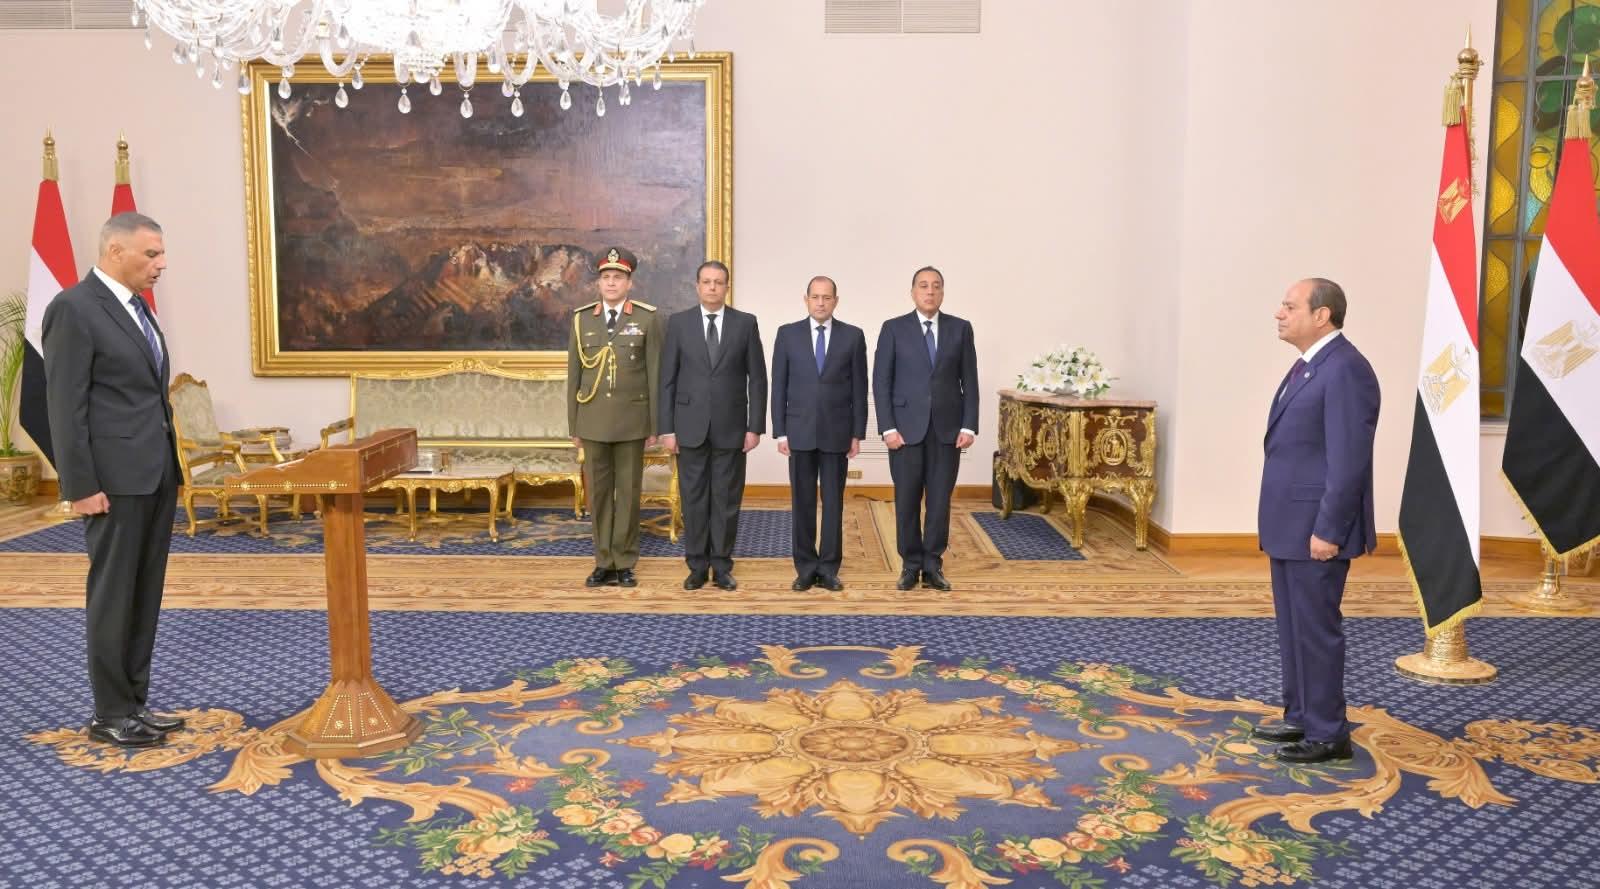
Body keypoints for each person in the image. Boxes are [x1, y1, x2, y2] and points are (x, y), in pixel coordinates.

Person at [42, 212, 185, 748]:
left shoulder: (138, 308)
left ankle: (135, 704)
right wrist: (79, 486)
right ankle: (110, 712)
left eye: (161, 253)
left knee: (144, 594)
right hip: (113, 481)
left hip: (154, 474)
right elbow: (65, 406)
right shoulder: (74, 308)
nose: (161, 264)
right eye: (151, 254)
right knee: (113, 595)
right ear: (115, 251)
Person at [1254, 277, 1380, 764]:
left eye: (1290, 306)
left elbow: (1348, 461)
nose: (1279, 313)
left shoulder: (1345, 369)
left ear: (1321, 315)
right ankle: (1302, 716)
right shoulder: (1310, 365)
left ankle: (1328, 732)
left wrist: (1329, 529)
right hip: (1290, 524)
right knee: (1294, 627)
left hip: (1316, 528)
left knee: (1316, 629)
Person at [659, 260, 767, 591]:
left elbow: (757, 379)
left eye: (718, 282)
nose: (712, 287)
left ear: (727, 287)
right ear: (697, 286)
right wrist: (666, 428)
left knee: (725, 500)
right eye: (706, 281)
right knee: (693, 500)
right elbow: (667, 379)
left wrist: (755, 427)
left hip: (731, 428)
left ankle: (721, 565)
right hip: (688, 427)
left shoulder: (745, 323)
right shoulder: (678, 323)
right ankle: (696, 565)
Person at [873, 266, 978, 592]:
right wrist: (887, 427)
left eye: (935, 286)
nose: (929, 291)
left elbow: (970, 381)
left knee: (939, 502)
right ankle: (910, 564)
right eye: (923, 286)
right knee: (906, 500)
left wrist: (969, 425)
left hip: (947, 430)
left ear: (942, 292)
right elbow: (881, 382)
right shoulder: (893, 329)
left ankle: (933, 564)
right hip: (904, 431)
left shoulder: (960, 329)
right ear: (913, 292)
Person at [567, 247, 661, 588]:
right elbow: (574, 376)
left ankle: (625, 561)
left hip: (632, 421)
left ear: (629, 283)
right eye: (606, 277)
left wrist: (655, 425)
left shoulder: (648, 319)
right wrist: (574, 425)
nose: (611, 283)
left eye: (618, 277)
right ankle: (603, 561)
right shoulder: (581, 320)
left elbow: (655, 373)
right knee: (600, 495)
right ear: (598, 283)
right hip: (592, 420)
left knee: (629, 493)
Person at [771, 276, 868, 592]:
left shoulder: (853, 336)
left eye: (827, 297)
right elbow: (779, 386)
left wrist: (857, 433)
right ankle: (805, 567)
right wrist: (780, 431)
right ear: (806, 299)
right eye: (815, 297)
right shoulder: (787, 335)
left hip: (837, 432)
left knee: (833, 503)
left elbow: (859, 388)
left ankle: (828, 568)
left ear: (835, 301)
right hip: (798, 431)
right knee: (802, 503)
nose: (821, 302)